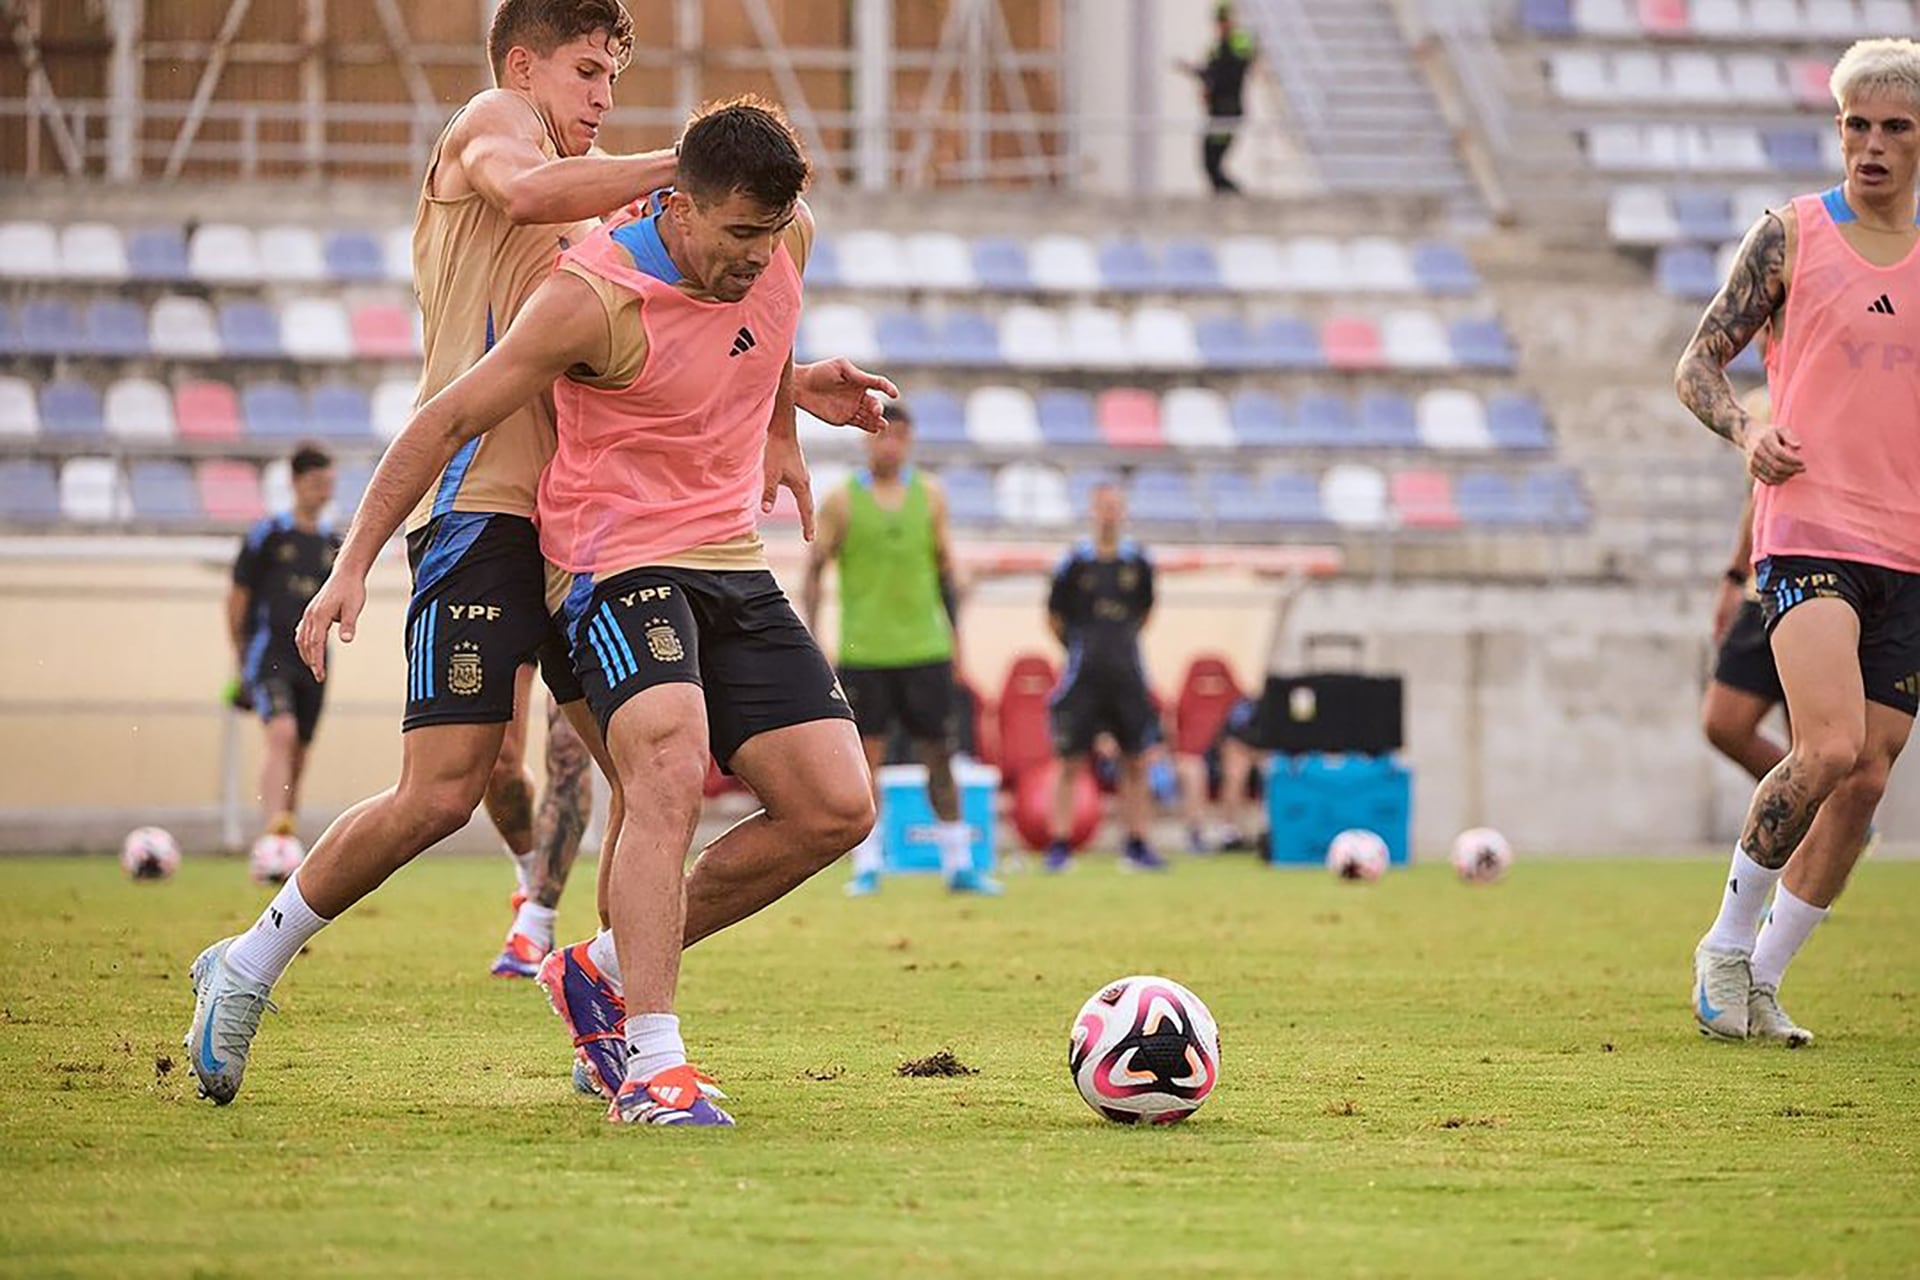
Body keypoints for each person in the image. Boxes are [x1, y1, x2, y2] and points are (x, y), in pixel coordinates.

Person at [180, 14, 886, 1107]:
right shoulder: (496, 129)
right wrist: (351, 560)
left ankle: (612, 1016)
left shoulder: (618, 198)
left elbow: (698, 331)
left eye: (616, 73)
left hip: (585, 521)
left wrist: (787, 402)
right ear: (523, 63)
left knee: (642, 773)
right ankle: (250, 958)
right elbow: (522, 211)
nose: (603, 92)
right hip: (478, 497)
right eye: (586, 69)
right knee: (447, 789)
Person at [1673, 37, 1920, 1048]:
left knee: (1868, 776)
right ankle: (1725, 947)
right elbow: (1698, 362)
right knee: (1827, 746)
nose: (1870, 145)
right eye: (1855, 124)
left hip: (1909, 550)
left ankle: (1765, 978)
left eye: (1894, 127)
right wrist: (1745, 428)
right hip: (1808, 527)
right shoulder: (1791, 235)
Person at [802, 402, 1000, 898]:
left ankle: (959, 864)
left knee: (941, 754)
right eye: (880, 436)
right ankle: (866, 864)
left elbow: (944, 571)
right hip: (865, 650)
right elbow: (814, 571)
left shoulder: (930, 496)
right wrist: (813, 637)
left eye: (897, 437)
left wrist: (956, 640)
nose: (887, 445)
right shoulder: (841, 501)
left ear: (908, 441)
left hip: (924, 648)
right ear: (867, 439)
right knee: (865, 762)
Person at [1044, 484, 1166, 873]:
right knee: (1070, 762)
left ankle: (1137, 843)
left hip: (1127, 673)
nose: (1109, 514)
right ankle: (1060, 845)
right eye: (1103, 507)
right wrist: (1081, 648)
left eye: (1115, 507)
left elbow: (1147, 612)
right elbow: (1054, 616)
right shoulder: (1074, 563)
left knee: (1136, 760)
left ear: (1124, 512)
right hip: (1083, 676)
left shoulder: (1138, 563)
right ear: (1092, 511)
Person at [227, 443, 342, 842]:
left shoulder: (334, 544)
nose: (323, 491)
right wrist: (240, 656)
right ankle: (271, 834)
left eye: (328, 483)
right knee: (281, 732)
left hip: (314, 660)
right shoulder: (268, 535)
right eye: (315, 483)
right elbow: (238, 597)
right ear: (294, 482)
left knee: (300, 751)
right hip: (269, 654)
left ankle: (284, 839)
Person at [1701, 393, 1787, 786]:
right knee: (1723, 723)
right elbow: (1756, 501)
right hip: (1762, 587)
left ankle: (1832, 818)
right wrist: (1736, 578)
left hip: (1815, 582)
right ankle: (1822, 811)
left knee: (1818, 744)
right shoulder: (1756, 405)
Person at [1178, 3, 1257, 196]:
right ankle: (1228, 195)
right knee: (1209, 161)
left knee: (1213, 160)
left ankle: (1235, 195)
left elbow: (1236, 64)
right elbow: (1211, 74)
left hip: (1229, 111)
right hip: (1217, 112)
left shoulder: (1236, 41)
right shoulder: (1217, 47)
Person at [1176, 696, 1262, 855]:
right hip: (1216, 761)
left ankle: (1273, 834)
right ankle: (1217, 833)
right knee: (1228, 768)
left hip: (1259, 764)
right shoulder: (1244, 708)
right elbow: (1231, 740)